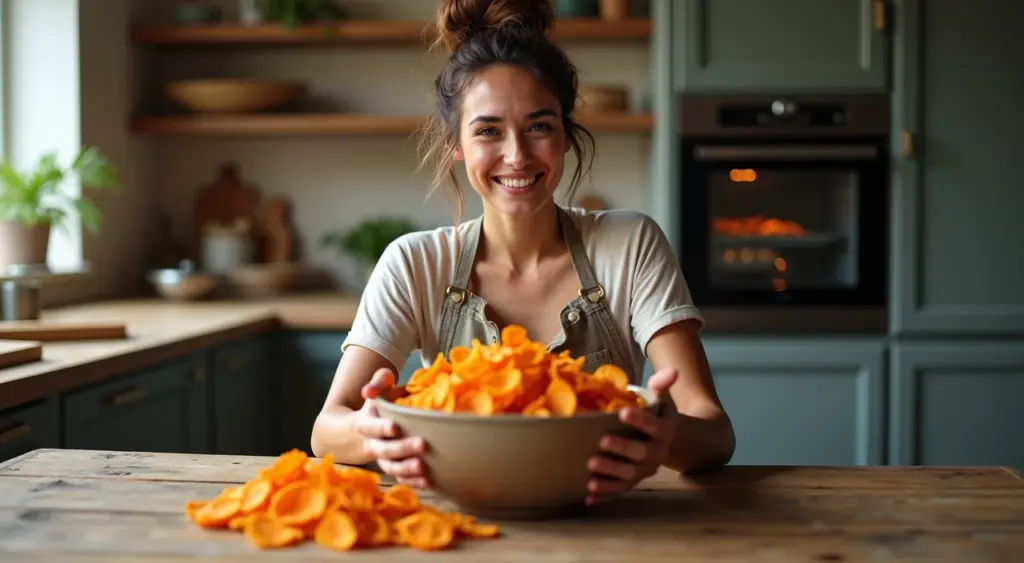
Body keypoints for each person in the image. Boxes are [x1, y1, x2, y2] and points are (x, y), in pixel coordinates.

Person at [311, 0, 735, 506]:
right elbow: (327, 429)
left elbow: (713, 430)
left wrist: (664, 439)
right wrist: (373, 432)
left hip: (607, 523)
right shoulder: (414, 263)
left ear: (566, 135)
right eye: (488, 131)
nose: (516, 155)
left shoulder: (630, 244)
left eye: (539, 126)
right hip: (462, 525)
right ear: (455, 145)